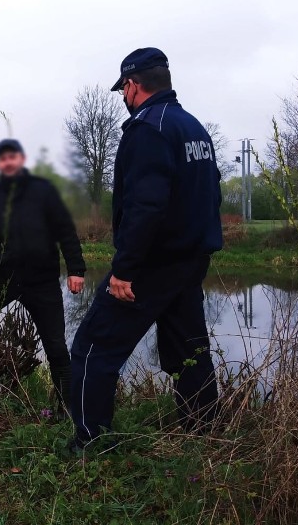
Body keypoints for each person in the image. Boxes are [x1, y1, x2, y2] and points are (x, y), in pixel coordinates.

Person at [69, 47, 223, 451]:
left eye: (124, 88)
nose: (123, 96)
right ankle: (203, 434)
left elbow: (146, 206)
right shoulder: (194, 129)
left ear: (134, 86)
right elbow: (211, 196)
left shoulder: (147, 128)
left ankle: (89, 442)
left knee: (91, 347)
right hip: (190, 263)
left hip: (151, 266)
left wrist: (124, 269)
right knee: (189, 351)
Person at [0, 139, 86, 414]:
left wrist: (76, 270)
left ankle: (66, 410)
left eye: (12, 157)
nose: (8, 162)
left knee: (56, 348)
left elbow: (66, 231)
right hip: (3, 280)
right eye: (2, 158)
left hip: (42, 282)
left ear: (21, 159)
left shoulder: (44, 191)